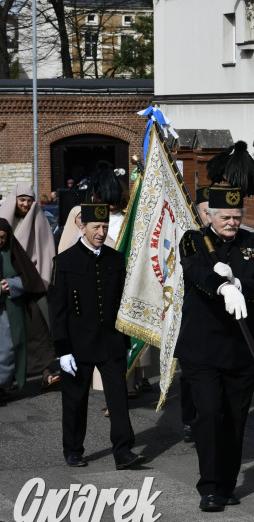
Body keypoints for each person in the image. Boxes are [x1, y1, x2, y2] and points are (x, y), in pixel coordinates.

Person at [175, 185, 254, 511]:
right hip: (202, 348)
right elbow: (196, 272)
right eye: (224, 217)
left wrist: (240, 284)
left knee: (234, 419)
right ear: (210, 216)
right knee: (210, 415)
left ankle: (228, 483)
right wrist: (221, 286)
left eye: (236, 217)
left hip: (240, 348)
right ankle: (210, 487)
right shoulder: (194, 240)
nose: (231, 223)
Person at [49, 204, 145, 470]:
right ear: (83, 227)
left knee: (118, 398)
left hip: (111, 341)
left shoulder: (115, 260)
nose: (101, 232)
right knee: (75, 400)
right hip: (77, 344)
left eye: (104, 227)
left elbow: (121, 303)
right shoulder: (65, 262)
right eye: (96, 227)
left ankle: (123, 451)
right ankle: (73, 449)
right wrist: (62, 349)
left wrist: (125, 341)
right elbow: (57, 309)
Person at [0, 184, 59, 389]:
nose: (25, 204)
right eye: (22, 199)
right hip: (8, 284)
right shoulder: (4, 222)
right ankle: (9, 378)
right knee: (9, 334)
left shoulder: (39, 219)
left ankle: (45, 372)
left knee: (38, 328)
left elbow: (46, 250)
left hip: (32, 282)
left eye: (29, 200)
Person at [0, 219, 47, 403]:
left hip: (12, 309)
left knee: (11, 349)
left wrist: (11, 284)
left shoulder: (13, 252)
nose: (0, 241)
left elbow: (28, 278)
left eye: (2, 237)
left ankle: (4, 384)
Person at [180, 184, 212, 444]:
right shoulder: (190, 238)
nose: (209, 217)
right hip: (190, 312)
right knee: (190, 376)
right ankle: (189, 419)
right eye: (205, 212)